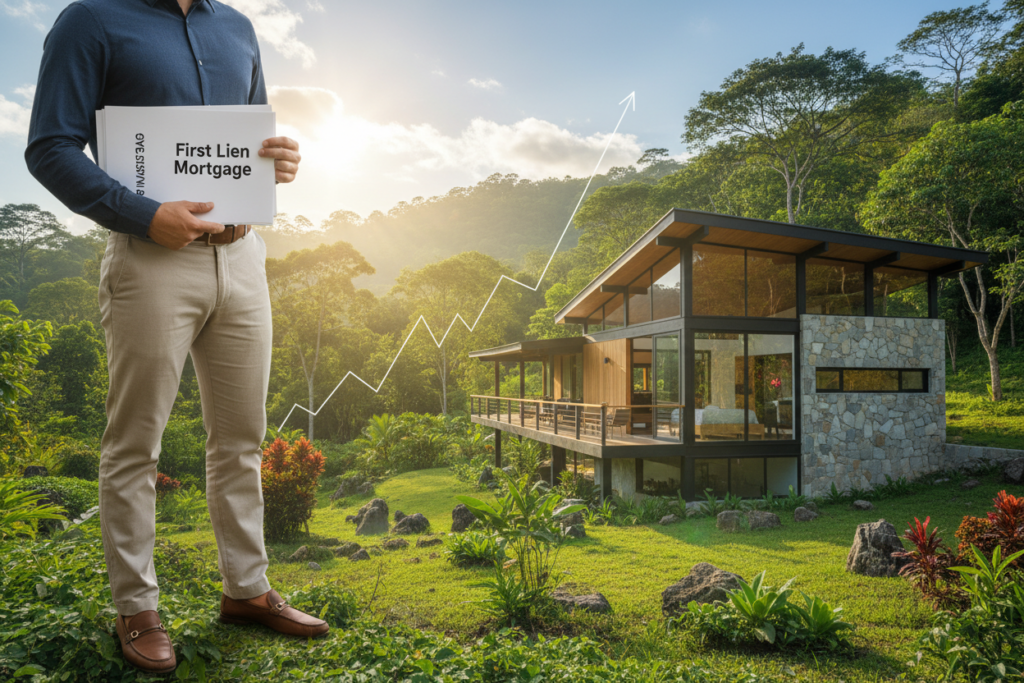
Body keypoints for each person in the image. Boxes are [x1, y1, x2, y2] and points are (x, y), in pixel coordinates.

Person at [24, 0, 327, 675]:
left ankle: (247, 590)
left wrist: (275, 163)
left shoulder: (238, 29)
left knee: (241, 438)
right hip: (149, 258)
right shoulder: (91, 21)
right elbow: (48, 146)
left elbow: (250, 142)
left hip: (244, 260)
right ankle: (137, 606)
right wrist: (140, 213)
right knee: (135, 442)